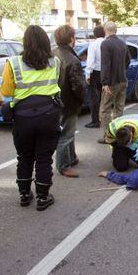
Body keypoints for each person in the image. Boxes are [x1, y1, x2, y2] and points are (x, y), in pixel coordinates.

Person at [0, 25, 61, 211]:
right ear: (45, 41)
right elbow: (56, 83)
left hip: (23, 117)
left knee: (24, 157)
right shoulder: (55, 61)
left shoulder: (13, 63)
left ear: (25, 42)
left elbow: (6, 91)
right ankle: (43, 197)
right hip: (49, 114)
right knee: (44, 158)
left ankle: (25, 195)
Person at [54, 25, 86, 178]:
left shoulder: (52, 54)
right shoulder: (72, 60)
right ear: (71, 39)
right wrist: (82, 98)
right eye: (74, 37)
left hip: (55, 100)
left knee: (68, 132)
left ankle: (71, 158)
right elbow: (78, 86)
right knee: (66, 135)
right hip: (68, 102)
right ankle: (63, 165)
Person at [98, 21, 131, 144]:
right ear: (115, 30)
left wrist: (105, 82)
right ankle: (118, 135)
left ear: (105, 30)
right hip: (123, 80)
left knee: (105, 109)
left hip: (111, 83)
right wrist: (122, 71)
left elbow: (105, 64)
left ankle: (108, 136)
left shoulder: (105, 44)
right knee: (119, 108)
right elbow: (128, 60)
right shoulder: (123, 43)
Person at [85, 25, 105, 128]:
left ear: (94, 34)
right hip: (106, 73)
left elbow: (90, 62)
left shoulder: (93, 45)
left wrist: (87, 75)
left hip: (96, 74)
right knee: (104, 98)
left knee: (93, 98)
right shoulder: (107, 43)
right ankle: (104, 119)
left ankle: (95, 121)